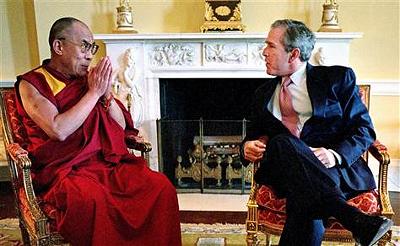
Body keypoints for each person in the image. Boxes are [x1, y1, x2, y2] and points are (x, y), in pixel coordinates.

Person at [15, 17, 181, 246]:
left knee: (161, 188)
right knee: (91, 199)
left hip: (107, 163)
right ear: (58, 46)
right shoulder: (33, 83)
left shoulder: (89, 81)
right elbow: (58, 129)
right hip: (67, 170)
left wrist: (106, 96)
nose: (89, 55)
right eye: (84, 46)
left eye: (92, 48)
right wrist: (92, 94)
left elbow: (121, 126)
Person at [241, 19, 393, 246]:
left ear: (293, 54)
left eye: (271, 46)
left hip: (332, 169)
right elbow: (252, 135)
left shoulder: (336, 79)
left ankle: (351, 217)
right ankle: (354, 219)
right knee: (282, 142)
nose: (264, 52)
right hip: (284, 168)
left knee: (304, 198)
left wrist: (334, 155)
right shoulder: (262, 93)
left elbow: (364, 130)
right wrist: (245, 147)